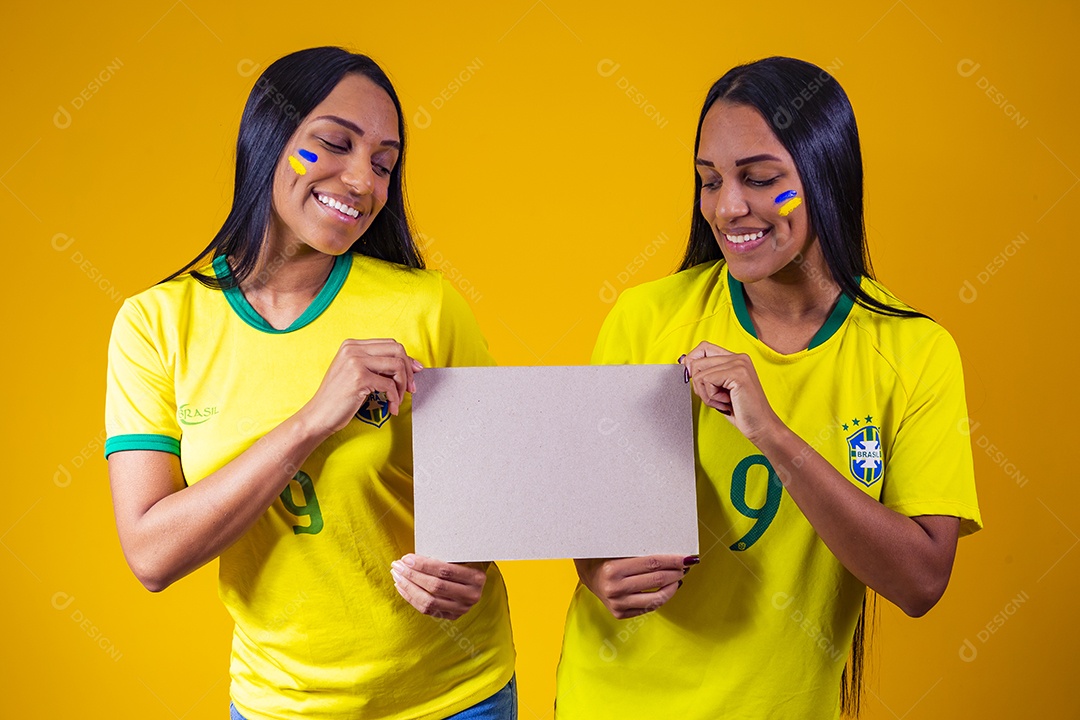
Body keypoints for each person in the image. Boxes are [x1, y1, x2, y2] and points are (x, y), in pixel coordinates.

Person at [555, 56, 981, 719]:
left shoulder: (913, 352)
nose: (728, 207)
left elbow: (922, 581)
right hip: (613, 699)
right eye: (709, 180)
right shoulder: (646, 318)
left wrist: (773, 434)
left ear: (825, 176)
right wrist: (598, 573)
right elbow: (591, 519)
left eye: (759, 179)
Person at [104, 47, 516, 720]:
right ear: (269, 140)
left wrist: (469, 565)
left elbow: (504, 485)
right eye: (332, 144)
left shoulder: (427, 306)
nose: (362, 180)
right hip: (280, 705)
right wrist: (312, 420)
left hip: (454, 697)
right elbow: (152, 555)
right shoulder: (155, 324)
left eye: (384, 164)